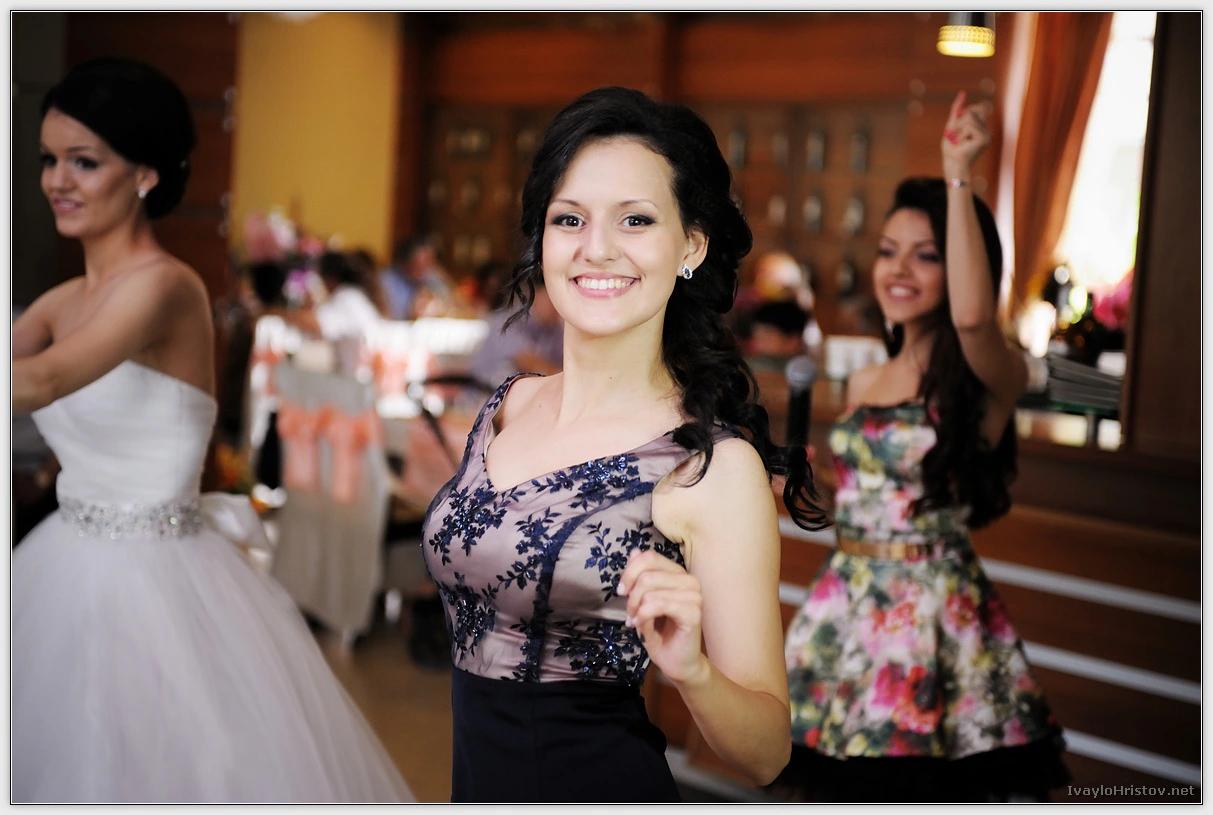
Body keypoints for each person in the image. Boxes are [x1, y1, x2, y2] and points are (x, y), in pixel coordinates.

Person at [11, 56, 412, 803]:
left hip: (157, 582)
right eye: (47, 159)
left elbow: (41, 382)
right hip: (63, 561)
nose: (57, 181)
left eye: (83, 161)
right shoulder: (60, 301)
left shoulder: (166, 287)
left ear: (144, 174)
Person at [419, 85, 828, 803]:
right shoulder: (505, 407)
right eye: (569, 218)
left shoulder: (709, 466)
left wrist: (692, 670)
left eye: (635, 219)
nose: (597, 248)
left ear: (691, 244)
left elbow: (766, 754)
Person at [779, 91, 1069, 802]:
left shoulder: (991, 374)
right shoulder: (864, 380)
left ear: (963, 266)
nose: (897, 270)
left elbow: (970, 318)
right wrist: (798, 486)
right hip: (846, 608)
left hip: (935, 624)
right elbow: (863, 502)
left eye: (926, 255)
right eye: (887, 252)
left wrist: (957, 171)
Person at [466, 275, 564, 390]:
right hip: (485, 394)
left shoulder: (555, 328)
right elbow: (531, 363)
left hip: (523, 394)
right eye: (553, 298)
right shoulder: (508, 321)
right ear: (535, 295)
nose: (558, 306)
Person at [379, 234, 457, 320]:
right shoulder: (386, 280)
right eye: (423, 260)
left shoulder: (429, 274)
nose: (427, 266)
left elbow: (452, 300)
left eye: (430, 261)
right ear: (406, 261)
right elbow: (389, 316)